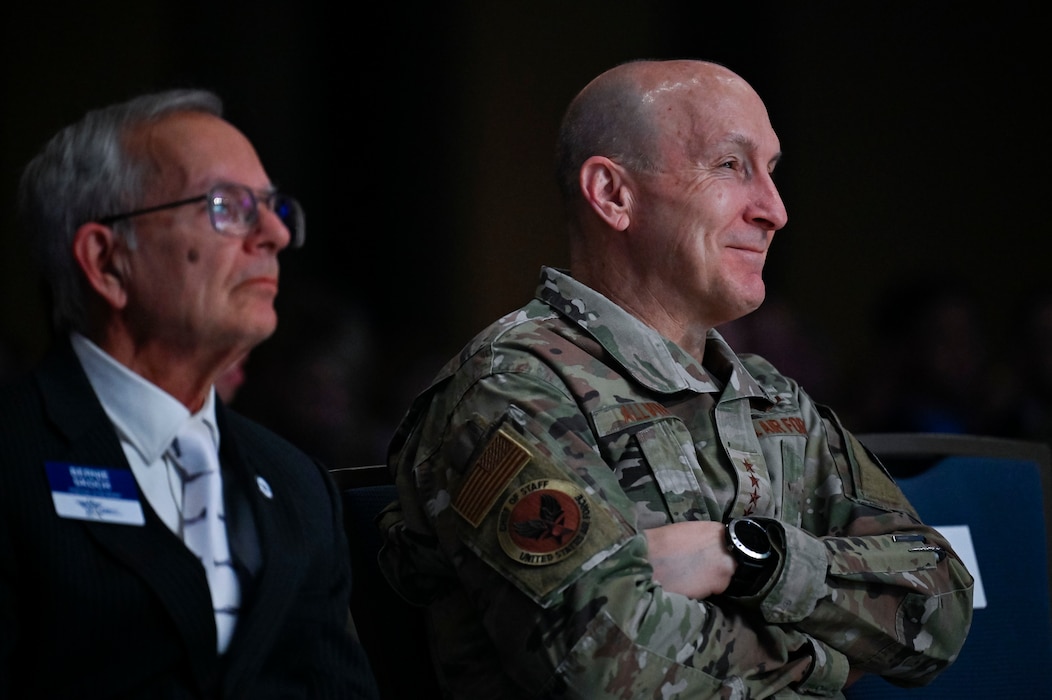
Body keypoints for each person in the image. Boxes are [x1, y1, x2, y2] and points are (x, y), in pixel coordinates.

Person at [377, 59, 974, 698]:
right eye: (729, 166)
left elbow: (939, 607)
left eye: (771, 172)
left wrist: (743, 557)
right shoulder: (513, 389)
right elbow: (606, 665)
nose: (775, 210)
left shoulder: (767, 394)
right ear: (613, 195)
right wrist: (827, 663)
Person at [0, 89, 379, 698]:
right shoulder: (13, 458)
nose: (277, 234)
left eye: (274, 207)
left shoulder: (298, 487)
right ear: (106, 260)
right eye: (227, 205)